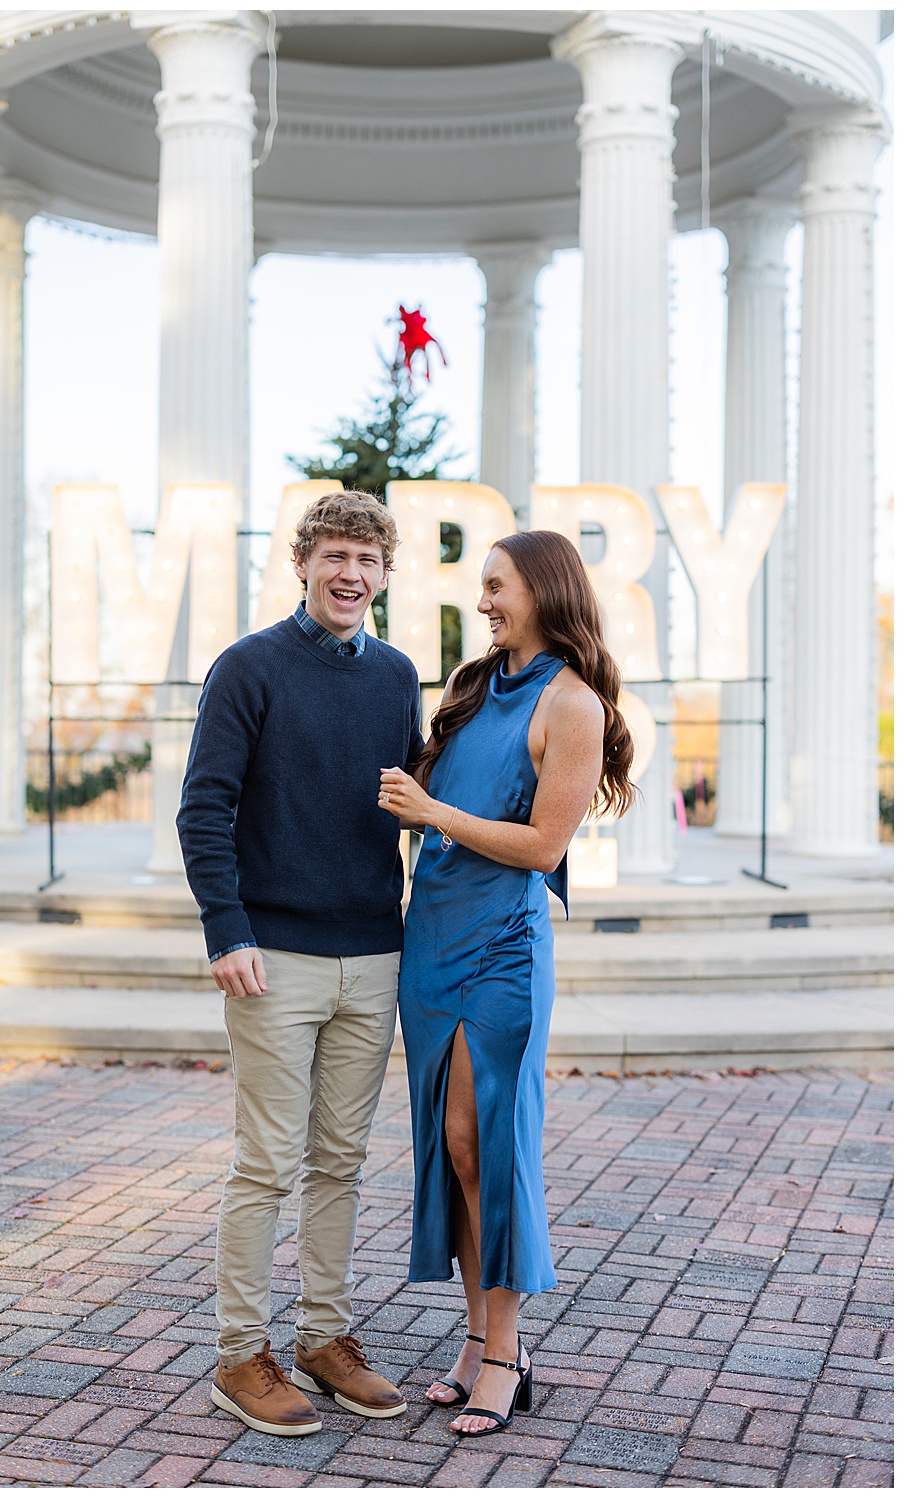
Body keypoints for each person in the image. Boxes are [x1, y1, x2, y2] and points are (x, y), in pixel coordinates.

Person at [376, 529, 633, 1437]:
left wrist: (433, 810)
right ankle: (478, 1337)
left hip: (502, 952)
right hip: (431, 941)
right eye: (482, 587)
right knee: (451, 1148)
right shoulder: (472, 686)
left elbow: (543, 848)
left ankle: (507, 1353)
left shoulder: (573, 708)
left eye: (496, 586)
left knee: (486, 1140)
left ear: (543, 590)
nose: (482, 601)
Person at [177, 490, 422, 1437]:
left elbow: (413, 800)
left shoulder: (399, 675)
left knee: (341, 1161)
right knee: (267, 1162)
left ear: (386, 573)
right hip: (273, 955)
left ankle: (325, 1338)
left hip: (374, 952)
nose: (350, 574)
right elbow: (206, 808)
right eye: (333, 556)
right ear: (303, 563)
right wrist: (226, 929)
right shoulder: (248, 668)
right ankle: (241, 1355)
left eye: (367, 559)